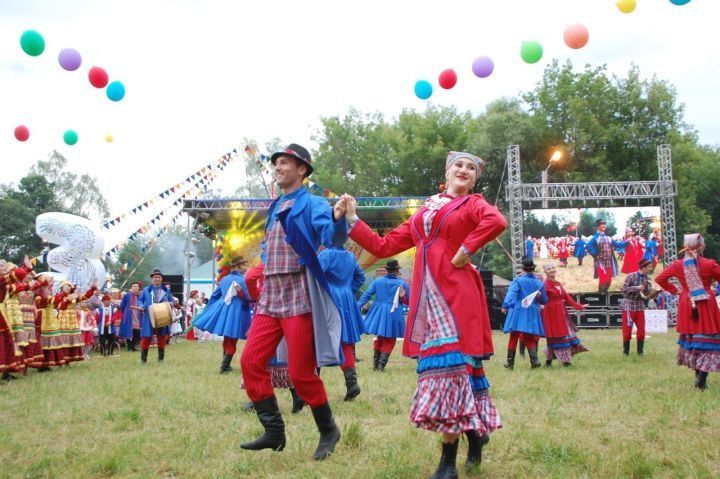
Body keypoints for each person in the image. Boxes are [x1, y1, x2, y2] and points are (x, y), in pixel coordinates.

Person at [342, 150, 506, 476]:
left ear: (475, 178)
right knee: (459, 373)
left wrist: (466, 248)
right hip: (428, 300)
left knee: (450, 370)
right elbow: (383, 246)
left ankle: (448, 463)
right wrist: (352, 218)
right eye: (459, 165)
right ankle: (476, 435)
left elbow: (496, 221)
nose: (464, 170)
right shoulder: (424, 211)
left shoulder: (473, 204)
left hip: (457, 296)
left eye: (471, 168)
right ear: (447, 172)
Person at [239, 143, 347, 461]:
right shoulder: (275, 206)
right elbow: (267, 246)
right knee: (250, 362)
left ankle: (328, 430)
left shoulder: (313, 203)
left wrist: (338, 217)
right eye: (276, 163)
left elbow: (332, 238)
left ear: (302, 169)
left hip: (298, 292)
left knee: (301, 373)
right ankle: (273, 431)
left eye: (284, 162)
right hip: (271, 293)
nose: (278, 167)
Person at [655, 233, 720, 390]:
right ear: (702, 246)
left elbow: (660, 279)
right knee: (707, 338)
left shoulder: (678, 265)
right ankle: (702, 378)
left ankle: (698, 377)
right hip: (705, 302)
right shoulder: (710, 264)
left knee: (693, 339)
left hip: (687, 302)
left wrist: (676, 290)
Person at [318, 236, 366, 400]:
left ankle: (310, 389)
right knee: (345, 342)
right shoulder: (350, 256)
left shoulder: (325, 255)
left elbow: (314, 276)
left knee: (317, 340)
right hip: (346, 299)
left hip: (328, 299)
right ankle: (352, 384)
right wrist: (347, 290)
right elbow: (361, 277)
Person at [194, 255, 252, 374]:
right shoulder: (243, 280)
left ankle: (226, 365)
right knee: (232, 339)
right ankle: (224, 367)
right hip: (237, 312)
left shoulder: (224, 279)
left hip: (224, 312)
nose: (246, 267)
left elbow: (215, 295)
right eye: (244, 265)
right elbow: (249, 297)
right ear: (236, 267)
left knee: (227, 339)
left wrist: (210, 310)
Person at [356, 259, 409, 372]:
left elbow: (366, 295)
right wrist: (403, 297)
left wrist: (356, 307)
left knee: (380, 337)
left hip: (378, 312)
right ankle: (380, 366)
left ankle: (376, 365)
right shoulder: (402, 284)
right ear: (396, 271)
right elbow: (409, 301)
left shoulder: (377, 281)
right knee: (390, 340)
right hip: (393, 313)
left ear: (387, 270)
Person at [501, 256, 547, 370]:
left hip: (517, 311)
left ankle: (510, 363)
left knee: (514, 336)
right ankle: (534, 361)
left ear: (522, 268)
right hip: (531, 312)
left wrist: (505, 305)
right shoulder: (539, 283)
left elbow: (512, 294)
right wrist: (539, 298)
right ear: (533, 269)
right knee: (528, 337)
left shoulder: (518, 280)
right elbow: (544, 300)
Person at [541, 263, 588, 366]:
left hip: (561, 313)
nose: (552, 270)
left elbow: (567, 297)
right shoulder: (544, 285)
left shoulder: (558, 283)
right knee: (557, 336)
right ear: (545, 271)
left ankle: (550, 361)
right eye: (549, 269)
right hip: (551, 313)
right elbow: (541, 299)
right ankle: (566, 362)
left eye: (553, 267)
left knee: (564, 335)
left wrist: (579, 306)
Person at [619, 258, 657, 356]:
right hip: (629, 306)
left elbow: (646, 294)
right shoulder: (631, 276)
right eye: (649, 267)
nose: (651, 268)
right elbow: (623, 289)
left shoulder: (647, 279)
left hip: (640, 306)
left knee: (641, 330)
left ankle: (640, 352)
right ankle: (625, 352)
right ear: (643, 267)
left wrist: (653, 294)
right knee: (627, 331)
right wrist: (637, 288)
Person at [136, 269, 172, 364]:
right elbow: (140, 300)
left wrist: (170, 303)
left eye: (159, 277)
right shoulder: (146, 290)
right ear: (152, 279)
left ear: (161, 279)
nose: (157, 279)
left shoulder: (166, 290)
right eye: (155, 277)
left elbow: (171, 301)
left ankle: (161, 360)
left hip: (162, 316)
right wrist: (140, 306)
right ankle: (143, 360)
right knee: (146, 337)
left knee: (162, 337)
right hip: (149, 316)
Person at [586, 219, 625, 293]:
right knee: (603, 280)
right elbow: (588, 245)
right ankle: (600, 293)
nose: (603, 225)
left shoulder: (609, 238)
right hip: (600, 263)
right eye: (601, 224)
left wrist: (627, 241)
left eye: (604, 224)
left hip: (609, 263)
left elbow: (618, 244)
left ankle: (604, 292)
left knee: (609, 281)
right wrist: (595, 254)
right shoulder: (595, 238)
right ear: (598, 227)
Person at [119, 281, 142, 351]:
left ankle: (133, 346)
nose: (136, 288)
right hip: (129, 316)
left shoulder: (140, 296)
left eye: (137, 286)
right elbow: (122, 305)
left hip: (137, 315)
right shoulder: (127, 295)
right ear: (131, 287)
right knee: (129, 331)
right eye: (134, 286)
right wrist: (125, 313)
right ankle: (129, 347)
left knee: (137, 331)